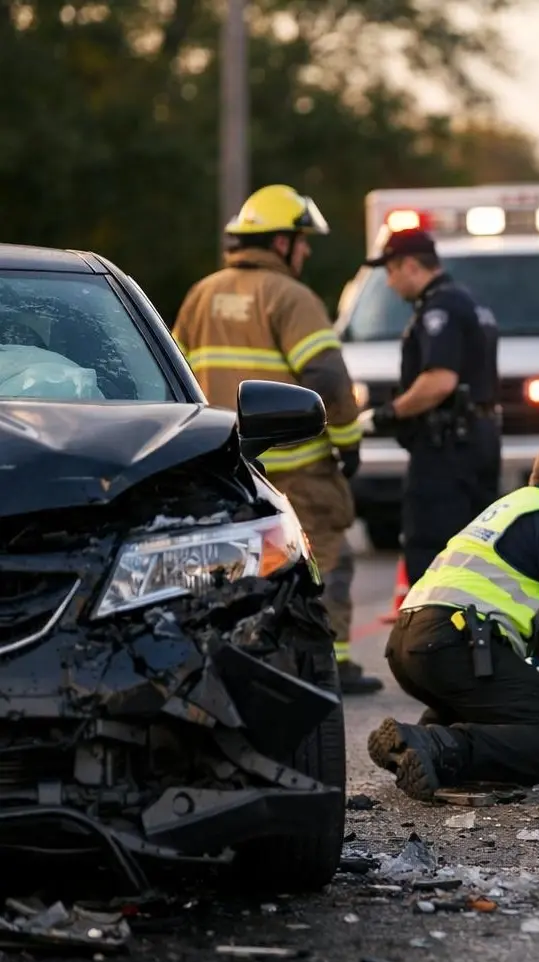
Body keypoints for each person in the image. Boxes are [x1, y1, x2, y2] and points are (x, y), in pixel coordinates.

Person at [171, 184, 383, 696]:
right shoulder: (291, 296)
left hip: (221, 460)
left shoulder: (200, 295)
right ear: (280, 242)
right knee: (328, 553)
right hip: (298, 462)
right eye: (301, 240)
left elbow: (170, 375)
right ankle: (333, 663)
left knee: (229, 559)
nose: (306, 250)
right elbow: (329, 380)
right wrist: (349, 442)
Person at [366, 436, 539, 801]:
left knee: (498, 713)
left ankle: (415, 741)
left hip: (409, 646)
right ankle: (439, 744)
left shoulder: (510, 510)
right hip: (459, 643)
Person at [361, 228, 501, 583]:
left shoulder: (441, 310)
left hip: (446, 451)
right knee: (476, 550)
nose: (390, 283)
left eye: (390, 271)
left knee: (431, 550)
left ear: (410, 266)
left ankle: (437, 634)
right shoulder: (470, 302)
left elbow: (440, 381)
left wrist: (387, 414)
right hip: (477, 441)